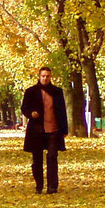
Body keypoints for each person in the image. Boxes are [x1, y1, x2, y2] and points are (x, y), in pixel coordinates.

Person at [20, 66, 69, 194]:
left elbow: (63, 111)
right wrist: (31, 114)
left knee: (52, 157)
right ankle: (39, 185)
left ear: (50, 77)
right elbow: (24, 108)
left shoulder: (57, 92)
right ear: (39, 76)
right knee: (37, 160)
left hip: (53, 130)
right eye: (43, 76)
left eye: (47, 76)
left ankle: (52, 186)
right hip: (36, 131)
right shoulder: (31, 91)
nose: (45, 78)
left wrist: (64, 130)